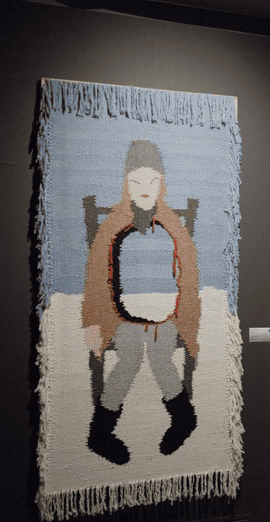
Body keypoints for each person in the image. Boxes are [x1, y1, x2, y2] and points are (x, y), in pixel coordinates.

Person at [81, 140, 201, 465]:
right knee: (130, 359)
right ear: (126, 184)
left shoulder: (173, 225)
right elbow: (96, 275)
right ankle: (101, 431)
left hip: (166, 316)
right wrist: (94, 322)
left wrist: (186, 317)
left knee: (161, 358)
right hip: (122, 317)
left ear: (162, 183)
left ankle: (183, 418)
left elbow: (189, 272)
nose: (144, 188)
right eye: (135, 181)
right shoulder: (112, 225)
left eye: (152, 180)